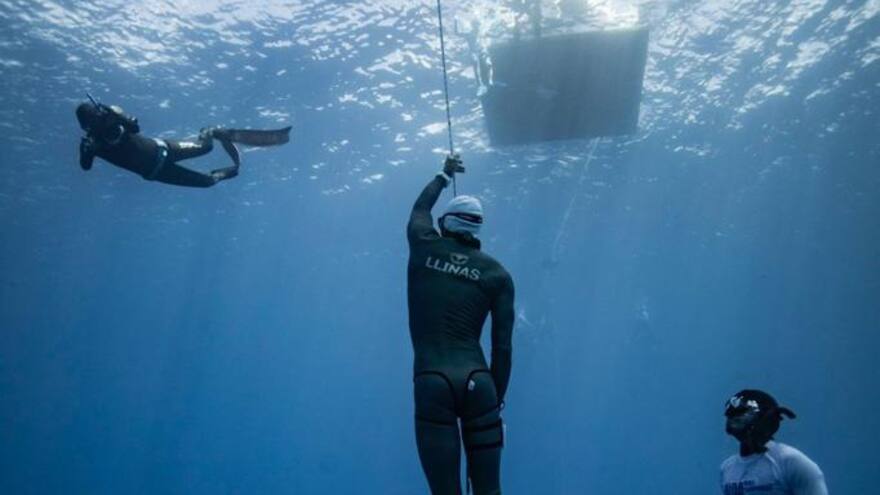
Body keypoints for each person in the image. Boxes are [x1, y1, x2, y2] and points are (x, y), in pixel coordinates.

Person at [407, 155, 515, 495]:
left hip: (432, 382)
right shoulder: (498, 274)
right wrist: (495, 400)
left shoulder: (424, 245)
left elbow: (419, 209)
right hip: (479, 383)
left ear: (447, 224)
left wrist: (443, 173)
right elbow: (503, 348)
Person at [75, 96, 291, 187]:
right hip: (157, 173)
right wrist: (88, 152)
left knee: (206, 146)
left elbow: (135, 127)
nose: (95, 124)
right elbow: (85, 167)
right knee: (208, 182)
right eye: (89, 124)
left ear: (98, 112)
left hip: (164, 148)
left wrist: (119, 115)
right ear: (86, 127)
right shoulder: (92, 144)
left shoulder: (112, 117)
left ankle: (211, 131)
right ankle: (230, 171)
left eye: (95, 117)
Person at [721, 389, 829, 495]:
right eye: (732, 416)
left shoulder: (790, 462)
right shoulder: (727, 468)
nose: (734, 422)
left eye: (740, 415)